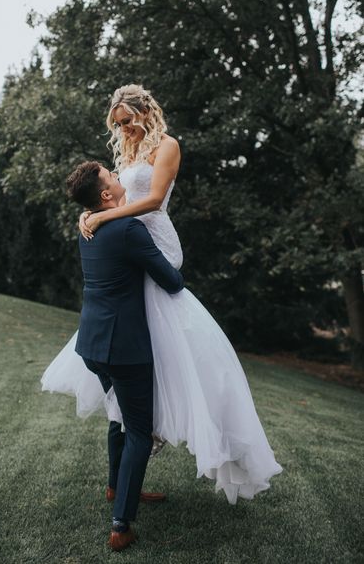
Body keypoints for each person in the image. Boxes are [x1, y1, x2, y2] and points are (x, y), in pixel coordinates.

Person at [41, 84, 282, 512]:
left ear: (145, 110)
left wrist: (102, 215)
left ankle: (146, 444)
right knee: (133, 357)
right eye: (117, 125)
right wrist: (91, 212)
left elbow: (151, 200)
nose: (123, 129)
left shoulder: (167, 146)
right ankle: (129, 468)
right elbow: (109, 193)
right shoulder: (127, 153)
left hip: (153, 242)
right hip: (128, 241)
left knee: (168, 341)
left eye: (127, 120)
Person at [63, 160, 184, 551]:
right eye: (112, 177)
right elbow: (171, 279)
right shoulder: (128, 229)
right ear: (105, 194)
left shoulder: (88, 228)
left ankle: (118, 488)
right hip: (123, 348)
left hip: (92, 344)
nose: (118, 178)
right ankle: (120, 524)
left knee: (118, 418)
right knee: (137, 430)